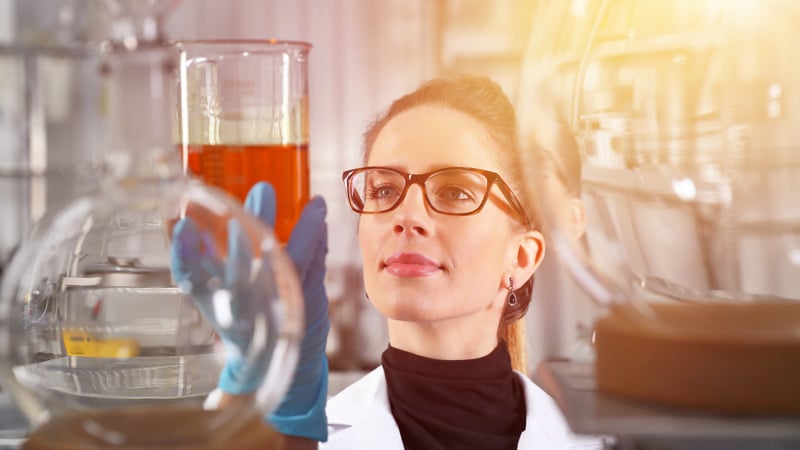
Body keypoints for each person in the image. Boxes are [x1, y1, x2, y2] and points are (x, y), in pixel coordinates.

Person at [171, 74, 602, 449]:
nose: (405, 216)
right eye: (383, 190)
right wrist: (254, 386)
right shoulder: (302, 438)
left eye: (455, 191)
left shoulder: (594, 443)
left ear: (522, 257)